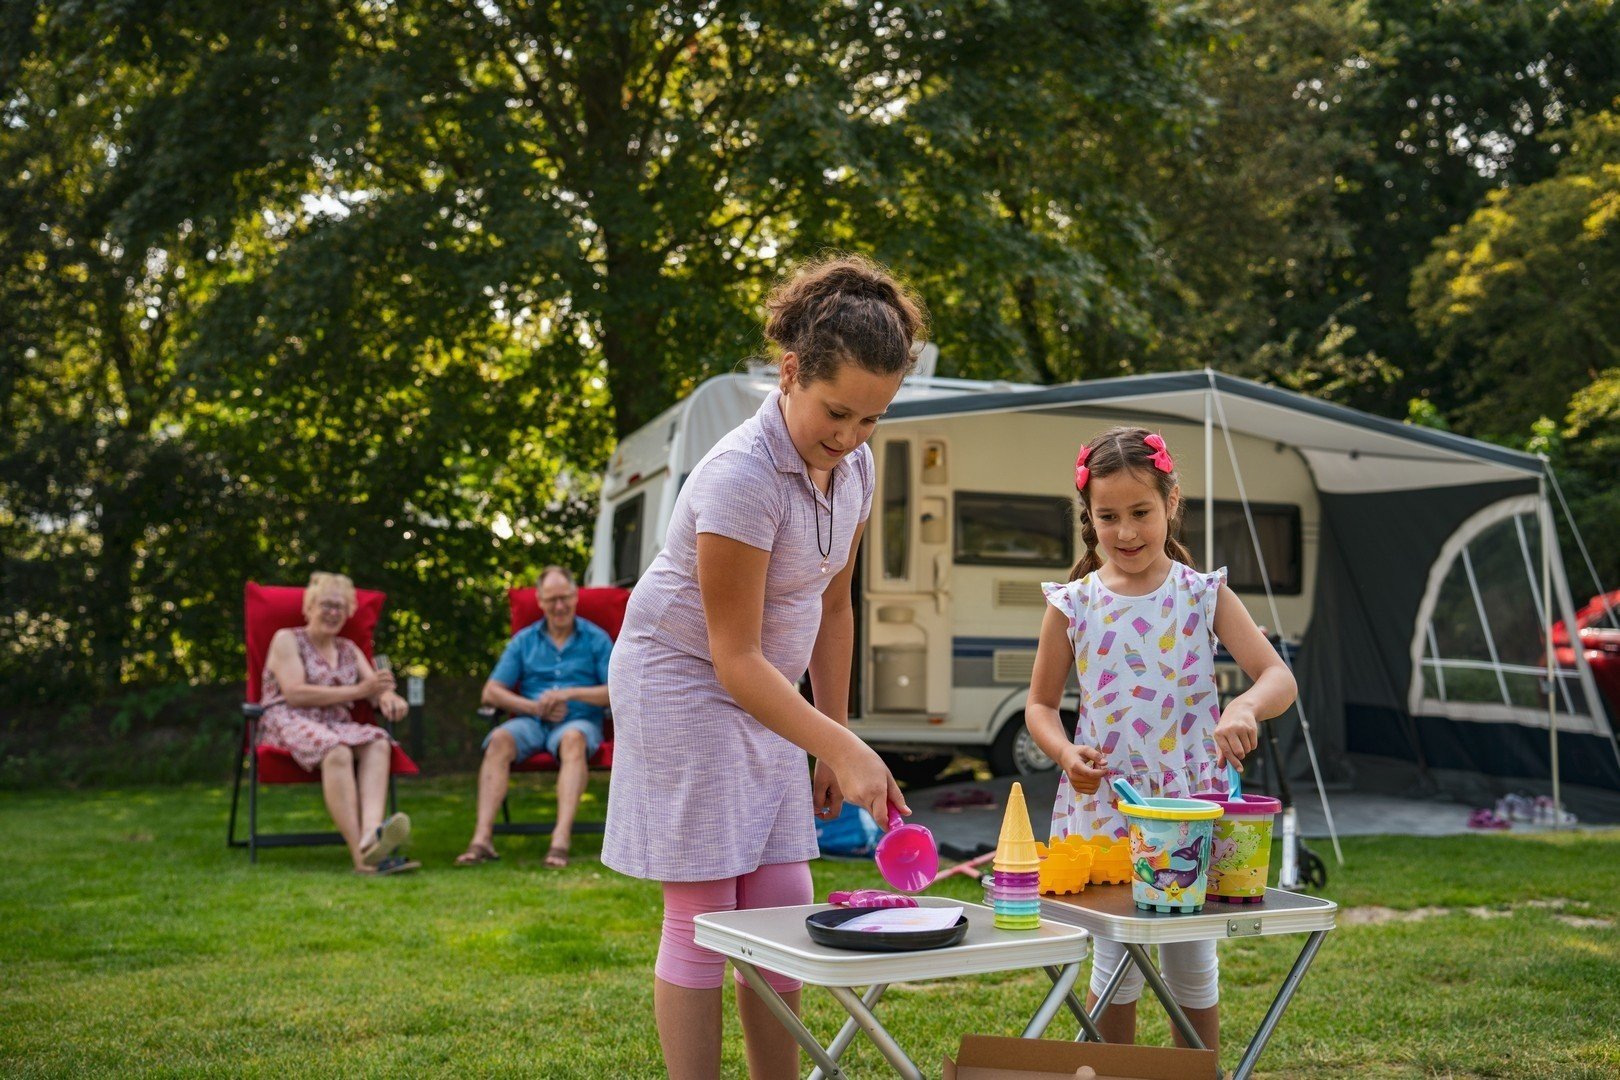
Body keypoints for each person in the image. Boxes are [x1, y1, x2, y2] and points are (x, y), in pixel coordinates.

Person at [601, 254, 927, 1079]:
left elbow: (836, 603)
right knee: (708, 911)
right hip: (683, 680)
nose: (850, 437)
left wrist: (834, 735)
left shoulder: (855, 465)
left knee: (782, 906)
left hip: (765, 692)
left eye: (871, 420)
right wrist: (842, 749)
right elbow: (732, 656)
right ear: (790, 373)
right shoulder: (742, 478)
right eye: (836, 412)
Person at [1025, 427, 1297, 1056]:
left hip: (1188, 813)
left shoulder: (1201, 594)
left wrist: (1246, 707)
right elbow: (1040, 706)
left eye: (1140, 512)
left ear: (1172, 503)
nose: (1125, 532)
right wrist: (1067, 754)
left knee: (1190, 968)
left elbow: (1279, 677)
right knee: (1114, 969)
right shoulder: (1073, 604)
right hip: (1106, 810)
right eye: (1108, 517)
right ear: (1088, 519)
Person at [259, 571, 417, 876]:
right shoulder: (287, 639)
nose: (333, 613)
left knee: (379, 740)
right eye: (327, 605)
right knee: (338, 750)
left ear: (348, 613)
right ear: (309, 607)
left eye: (340, 607)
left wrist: (389, 698)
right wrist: (360, 691)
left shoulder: (348, 649)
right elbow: (295, 693)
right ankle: (361, 857)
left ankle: (373, 834)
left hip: (335, 723)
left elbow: (375, 689)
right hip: (290, 719)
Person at [456, 566, 613, 869]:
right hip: (531, 720)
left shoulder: (596, 639)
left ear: (576, 595)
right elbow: (491, 691)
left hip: (578, 720)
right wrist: (533, 707)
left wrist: (570, 695)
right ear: (539, 601)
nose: (559, 606)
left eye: (564, 598)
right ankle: (481, 838)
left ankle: (560, 839)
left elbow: (618, 690)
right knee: (499, 739)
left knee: (573, 739)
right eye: (551, 599)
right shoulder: (524, 641)